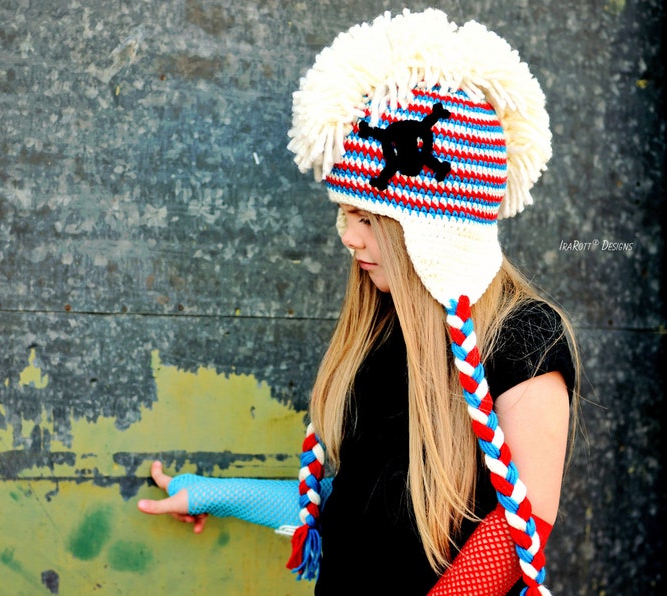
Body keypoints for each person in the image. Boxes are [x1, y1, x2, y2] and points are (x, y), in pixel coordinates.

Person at [138, 8, 579, 596]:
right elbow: (356, 511)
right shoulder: (382, 330)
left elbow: (519, 528)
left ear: (434, 225)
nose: (348, 237)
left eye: (369, 218)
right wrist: (217, 493)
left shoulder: (524, 337)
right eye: (346, 213)